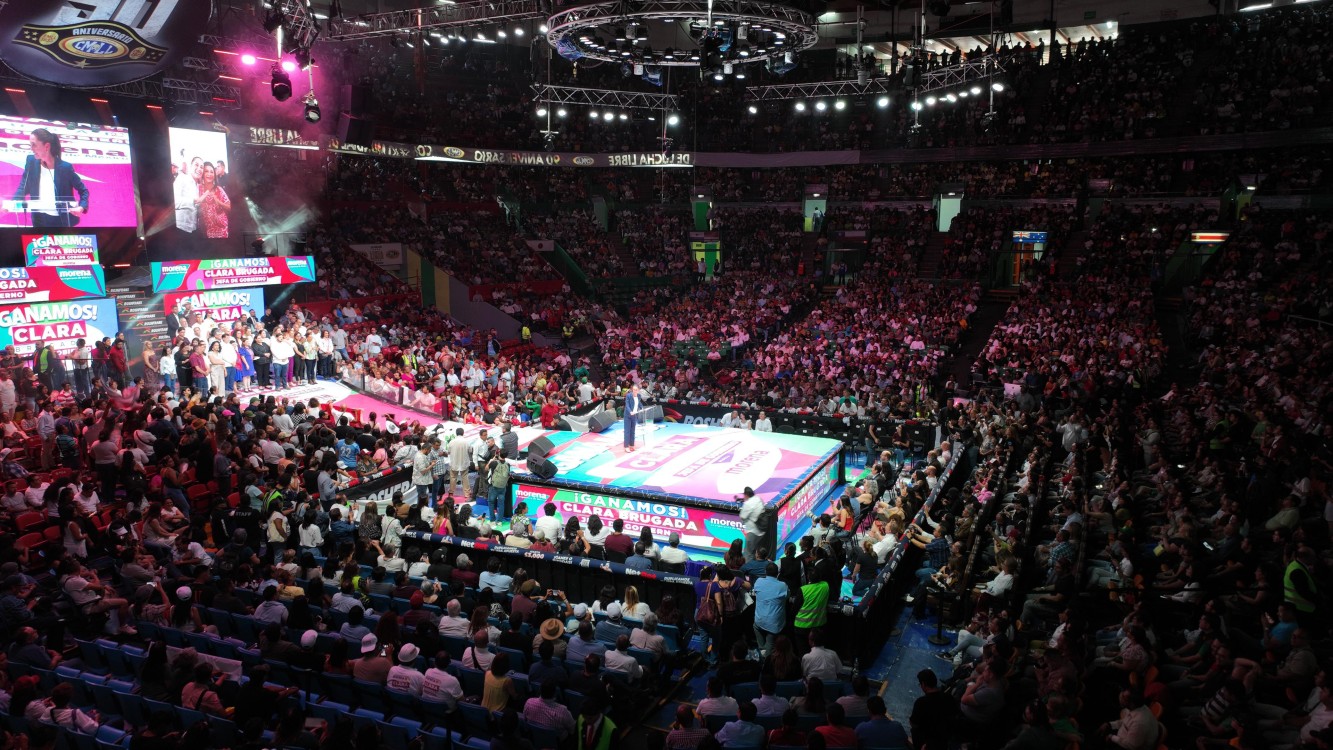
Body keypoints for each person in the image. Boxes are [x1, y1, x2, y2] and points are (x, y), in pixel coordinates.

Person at [11, 128, 90, 227]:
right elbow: (23, 187)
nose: (31, 148)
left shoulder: (65, 168)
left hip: (61, 221)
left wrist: (81, 207)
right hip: (38, 219)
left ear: (47, 146)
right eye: (30, 145)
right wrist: (11, 204)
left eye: (34, 145)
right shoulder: (31, 161)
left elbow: (84, 191)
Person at [910, 669, 955, 750]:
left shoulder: (921, 702)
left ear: (923, 684)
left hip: (929, 741)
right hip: (946, 736)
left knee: (914, 730)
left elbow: (914, 724)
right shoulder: (949, 697)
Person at [623, 383, 641, 452]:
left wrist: (642, 408)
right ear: (632, 390)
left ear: (638, 390)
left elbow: (638, 403)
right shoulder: (628, 396)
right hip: (628, 415)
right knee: (627, 431)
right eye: (633, 390)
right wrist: (630, 411)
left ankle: (632, 445)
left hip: (634, 415)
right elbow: (627, 405)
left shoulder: (639, 396)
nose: (635, 391)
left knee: (633, 431)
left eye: (636, 390)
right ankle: (626, 446)